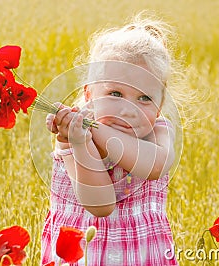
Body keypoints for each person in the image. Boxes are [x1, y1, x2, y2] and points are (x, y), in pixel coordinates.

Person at [41, 13, 182, 265]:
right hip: (87, 254)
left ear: (160, 106)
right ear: (88, 95)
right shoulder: (75, 136)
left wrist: (95, 129)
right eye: (115, 93)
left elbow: (154, 165)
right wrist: (80, 142)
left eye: (145, 98)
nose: (130, 110)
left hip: (143, 254)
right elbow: (101, 205)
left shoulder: (160, 132)